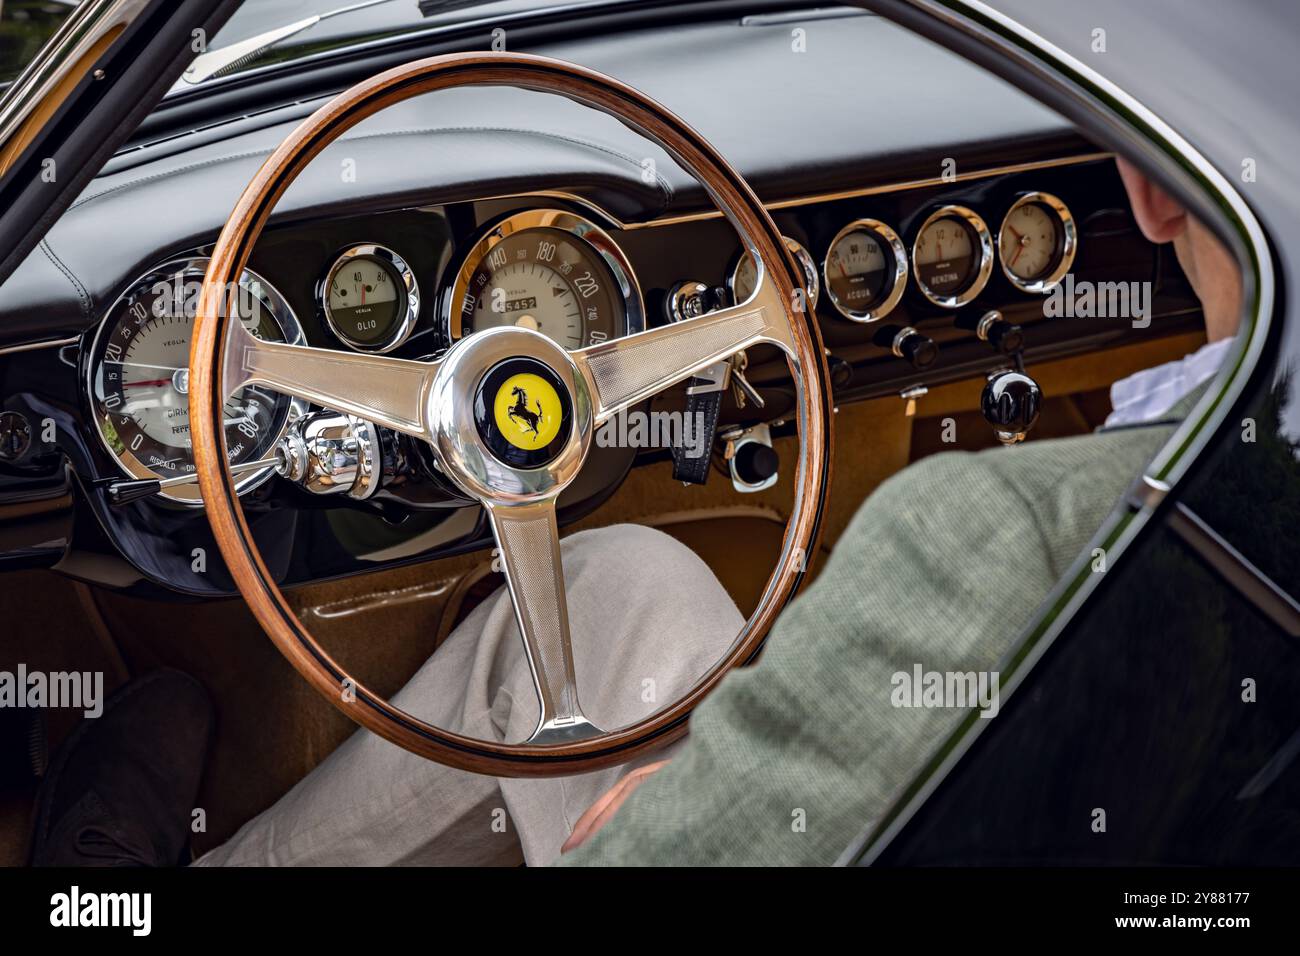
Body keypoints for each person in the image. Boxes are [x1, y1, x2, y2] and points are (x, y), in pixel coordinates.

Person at [29, 158, 1242, 867]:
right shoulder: (1212, 496)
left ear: (1141, 188)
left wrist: (670, 822)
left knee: (608, 615)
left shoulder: (997, 533)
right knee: (623, 586)